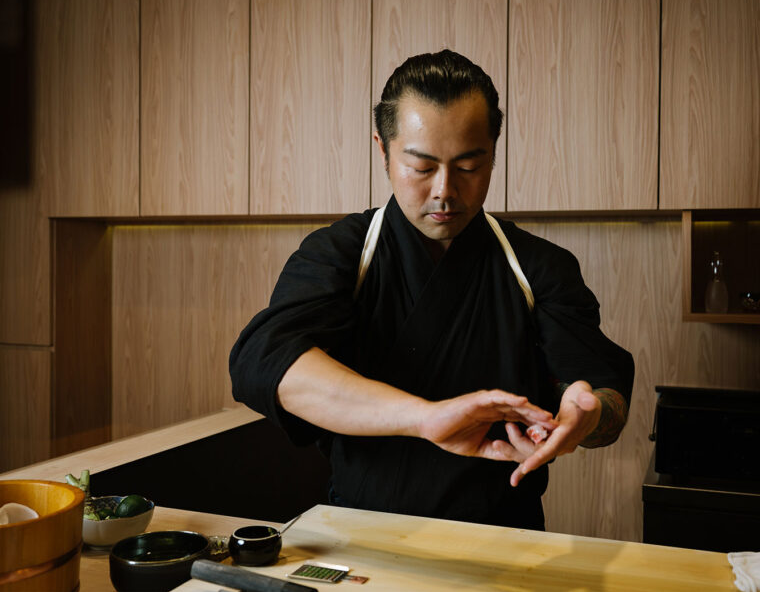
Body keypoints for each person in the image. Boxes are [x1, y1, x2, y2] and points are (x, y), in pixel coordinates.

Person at [230, 50, 634, 531]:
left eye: (468, 166)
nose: (445, 190)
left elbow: (602, 397)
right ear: (383, 149)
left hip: (505, 540)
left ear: (493, 153)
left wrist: (585, 420)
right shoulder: (341, 255)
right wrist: (426, 418)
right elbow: (267, 364)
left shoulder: (538, 267)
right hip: (358, 534)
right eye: (421, 166)